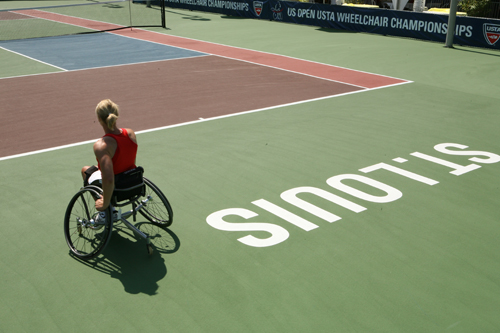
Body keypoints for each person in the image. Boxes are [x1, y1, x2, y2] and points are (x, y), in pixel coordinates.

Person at [81, 99, 138, 213]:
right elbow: (129, 161)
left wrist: (104, 205)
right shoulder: (130, 133)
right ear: (116, 115)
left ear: (99, 119)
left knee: (85, 170)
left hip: (118, 187)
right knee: (95, 169)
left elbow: (109, 179)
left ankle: (105, 212)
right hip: (134, 181)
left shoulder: (102, 145)